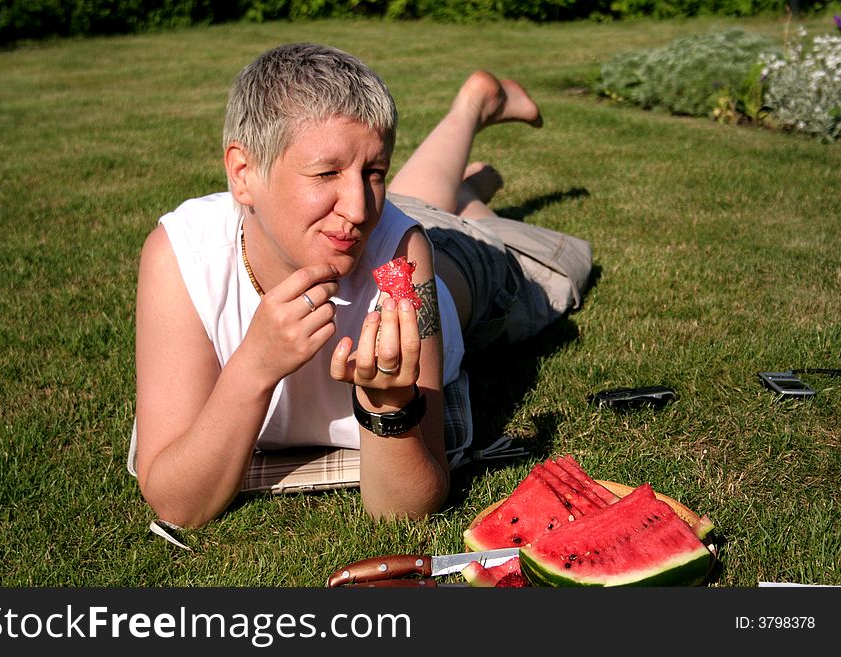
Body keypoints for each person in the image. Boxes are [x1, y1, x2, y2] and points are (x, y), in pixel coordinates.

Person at [132, 43, 591, 529]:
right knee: (411, 207)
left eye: (376, 172)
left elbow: (405, 509)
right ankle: (469, 150)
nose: (357, 206)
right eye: (326, 172)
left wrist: (387, 404)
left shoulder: (401, 257)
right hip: (410, 221)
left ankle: (470, 187)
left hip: (462, 264)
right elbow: (178, 504)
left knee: (554, 267)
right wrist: (252, 368)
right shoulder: (182, 256)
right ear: (243, 175)